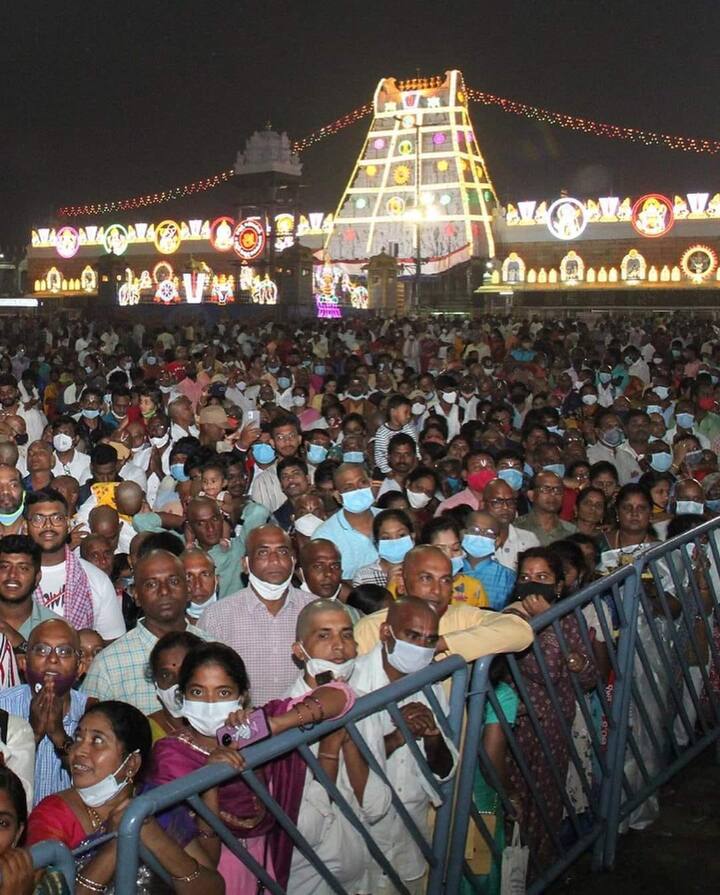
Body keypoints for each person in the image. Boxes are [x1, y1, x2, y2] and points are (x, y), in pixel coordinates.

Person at [145, 641, 356, 894]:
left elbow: (341, 695)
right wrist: (209, 780)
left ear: (242, 696)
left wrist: (275, 724)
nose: (210, 703)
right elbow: (186, 845)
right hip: (214, 872)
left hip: (267, 857)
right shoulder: (171, 753)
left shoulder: (256, 726)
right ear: (183, 696)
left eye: (223, 693)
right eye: (198, 692)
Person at [26, 699, 226, 894]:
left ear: (131, 764)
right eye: (78, 738)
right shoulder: (52, 815)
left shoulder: (154, 804)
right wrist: (118, 842)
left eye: (97, 741)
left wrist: (155, 838)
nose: (79, 751)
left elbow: (213, 888)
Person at [352, 597, 457, 894]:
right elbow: (345, 769)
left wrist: (433, 734)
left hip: (411, 834)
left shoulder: (432, 685)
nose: (422, 646)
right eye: (413, 636)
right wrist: (400, 736)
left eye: (430, 639)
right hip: (361, 836)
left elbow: (444, 769)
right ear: (386, 632)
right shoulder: (350, 684)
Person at [287, 599, 390, 895]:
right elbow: (306, 827)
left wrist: (350, 746)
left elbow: (376, 805)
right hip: (309, 877)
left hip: (363, 869)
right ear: (299, 650)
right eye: (323, 635)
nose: (338, 646)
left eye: (346, 634)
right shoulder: (287, 716)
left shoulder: (363, 702)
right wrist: (329, 751)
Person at [505, 547, 597, 868]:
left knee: (545, 803)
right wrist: (548, 625)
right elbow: (545, 670)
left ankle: (539, 871)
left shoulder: (570, 615)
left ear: (558, 585)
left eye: (542, 577)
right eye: (525, 578)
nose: (532, 584)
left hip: (555, 727)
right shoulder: (510, 619)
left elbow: (588, 676)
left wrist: (580, 661)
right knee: (512, 806)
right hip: (517, 727)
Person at [81, 550, 212, 713]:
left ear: (188, 589)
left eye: (174, 581)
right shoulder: (108, 666)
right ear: (135, 594)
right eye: (151, 584)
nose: (164, 591)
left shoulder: (213, 649)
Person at [197, 525, 316, 705]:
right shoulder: (217, 617)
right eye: (263, 552)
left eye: (282, 552)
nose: (274, 560)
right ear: (245, 564)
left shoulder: (316, 610)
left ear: (293, 561)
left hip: (309, 724)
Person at [354, 546, 535, 662]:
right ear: (402, 583)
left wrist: (441, 644)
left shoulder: (460, 615)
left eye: (445, 580)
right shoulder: (370, 628)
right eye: (426, 579)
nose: (437, 590)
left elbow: (520, 631)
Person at [0, 619, 89, 806]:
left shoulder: (92, 713)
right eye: (42, 650)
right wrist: (32, 735)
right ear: (23, 662)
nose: (53, 659)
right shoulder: (3, 707)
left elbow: (98, 784)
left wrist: (59, 736)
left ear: (80, 667)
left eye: (64, 651)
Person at [25, 489, 125, 642]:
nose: (48, 525)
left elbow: (113, 644)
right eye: (38, 519)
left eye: (57, 518)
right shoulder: (10, 577)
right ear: (26, 527)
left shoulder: (96, 579)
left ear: (69, 524)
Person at [312, 463, 379, 580]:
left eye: (362, 483)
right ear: (338, 496)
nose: (358, 490)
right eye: (349, 488)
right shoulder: (325, 536)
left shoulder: (393, 519)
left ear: (371, 484)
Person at [0, 535, 60, 649]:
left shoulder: (56, 628)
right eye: (4, 567)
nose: (12, 575)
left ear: (37, 578)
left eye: (23, 568)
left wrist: (22, 646)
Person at [146, 629, 203, 742]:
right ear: (156, 683)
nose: (177, 683)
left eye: (186, 672)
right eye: (166, 675)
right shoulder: (145, 733)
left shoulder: (225, 724)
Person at [420, 516, 489, 607]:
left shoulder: (475, 588)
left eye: (455, 549)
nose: (450, 556)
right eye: (441, 550)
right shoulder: (417, 585)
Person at [185, 497, 245, 598]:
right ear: (190, 528)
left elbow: (257, 512)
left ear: (222, 519)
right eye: (201, 523)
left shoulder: (238, 548)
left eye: (215, 519)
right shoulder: (186, 559)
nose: (210, 528)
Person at [460, 511, 517, 610]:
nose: (480, 536)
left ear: (497, 541)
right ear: (463, 534)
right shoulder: (451, 569)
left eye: (488, 533)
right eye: (475, 530)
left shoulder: (508, 578)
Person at [483, 478, 540, 571]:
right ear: (482, 505)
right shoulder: (474, 542)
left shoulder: (529, 539)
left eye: (510, 502)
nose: (505, 507)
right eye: (497, 502)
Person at [352, 508, 414, 593]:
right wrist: (389, 588)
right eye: (386, 538)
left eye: (401, 535)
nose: (394, 542)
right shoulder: (363, 576)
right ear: (377, 543)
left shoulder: (423, 568)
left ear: (412, 536)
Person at [515, 471, 577, 546]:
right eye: (546, 489)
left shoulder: (572, 532)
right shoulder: (516, 528)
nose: (553, 494)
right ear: (531, 495)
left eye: (558, 490)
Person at [182, 547, 218, 622]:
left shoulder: (234, 616)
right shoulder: (168, 624)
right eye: (188, 576)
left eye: (205, 574)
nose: (197, 584)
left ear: (216, 579)